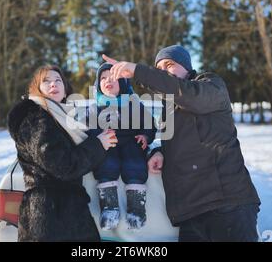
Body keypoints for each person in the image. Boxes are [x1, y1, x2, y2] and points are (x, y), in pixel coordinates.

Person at [102, 45, 261, 242]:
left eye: (169, 65)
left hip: (227, 204)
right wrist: (160, 152)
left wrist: (137, 71)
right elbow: (183, 141)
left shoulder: (210, 85)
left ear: (186, 67)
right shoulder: (168, 108)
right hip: (190, 213)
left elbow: (188, 94)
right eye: (159, 69)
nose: (164, 72)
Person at [7, 64, 117, 241]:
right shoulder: (36, 118)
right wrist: (98, 145)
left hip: (67, 214)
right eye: (46, 81)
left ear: (65, 90)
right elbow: (62, 165)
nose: (53, 84)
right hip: (49, 217)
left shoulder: (64, 119)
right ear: (37, 89)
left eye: (58, 81)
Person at [87, 63, 157, 231]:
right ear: (98, 85)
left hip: (131, 142)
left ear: (124, 83)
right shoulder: (95, 107)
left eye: (112, 77)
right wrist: (98, 136)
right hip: (107, 143)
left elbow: (149, 124)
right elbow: (89, 129)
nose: (107, 81)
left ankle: (136, 209)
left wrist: (146, 136)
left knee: (135, 165)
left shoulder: (134, 104)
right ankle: (109, 208)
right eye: (103, 78)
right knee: (106, 164)